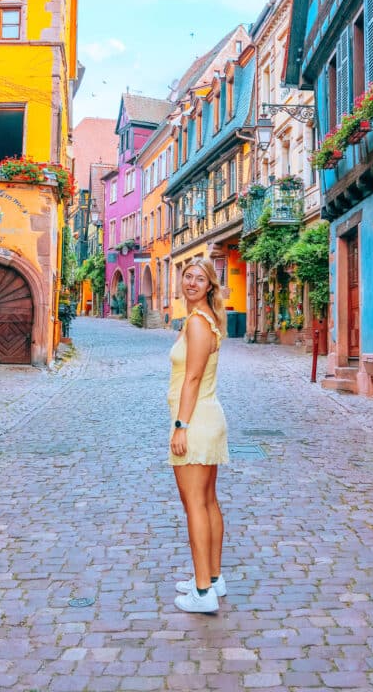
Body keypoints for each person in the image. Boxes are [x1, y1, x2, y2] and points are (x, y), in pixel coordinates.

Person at [168, 257, 229, 614]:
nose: (192, 282)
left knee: (195, 505)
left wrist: (181, 426)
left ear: (210, 285)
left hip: (196, 421)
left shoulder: (197, 323)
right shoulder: (204, 319)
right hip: (206, 417)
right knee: (206, 501)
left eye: (200, 278)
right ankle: (212, 577)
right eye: (187, 276)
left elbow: (191, 378)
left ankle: (203, 592)